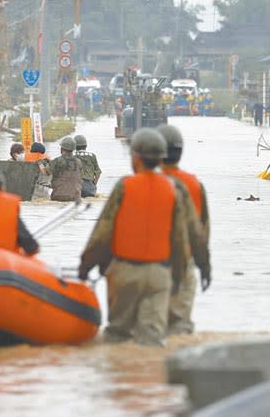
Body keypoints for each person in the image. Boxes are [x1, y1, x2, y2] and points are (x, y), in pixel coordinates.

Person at [77, 128, 191, 347]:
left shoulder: (125, 186)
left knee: (119, 335)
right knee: (153, 339)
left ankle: (122, 378)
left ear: (136, 157)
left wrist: (86, 264)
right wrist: (178, 276)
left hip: (125, 273)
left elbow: (103, 231)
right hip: (160, 274)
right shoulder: (173, 189)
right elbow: (180, 238)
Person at [156, 124, 211, 335]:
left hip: (148, 264)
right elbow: (201, 231)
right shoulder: (194, 184)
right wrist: (204, 266)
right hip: (182, 263)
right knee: (179, 330)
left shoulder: (140, 183)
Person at [48, 137, 82, 202]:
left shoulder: (57, 160)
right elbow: (80, 178)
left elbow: (46, 172)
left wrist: (40, 163)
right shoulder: (79, 162)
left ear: (62, 149)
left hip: (58, 196)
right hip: (75, 197)